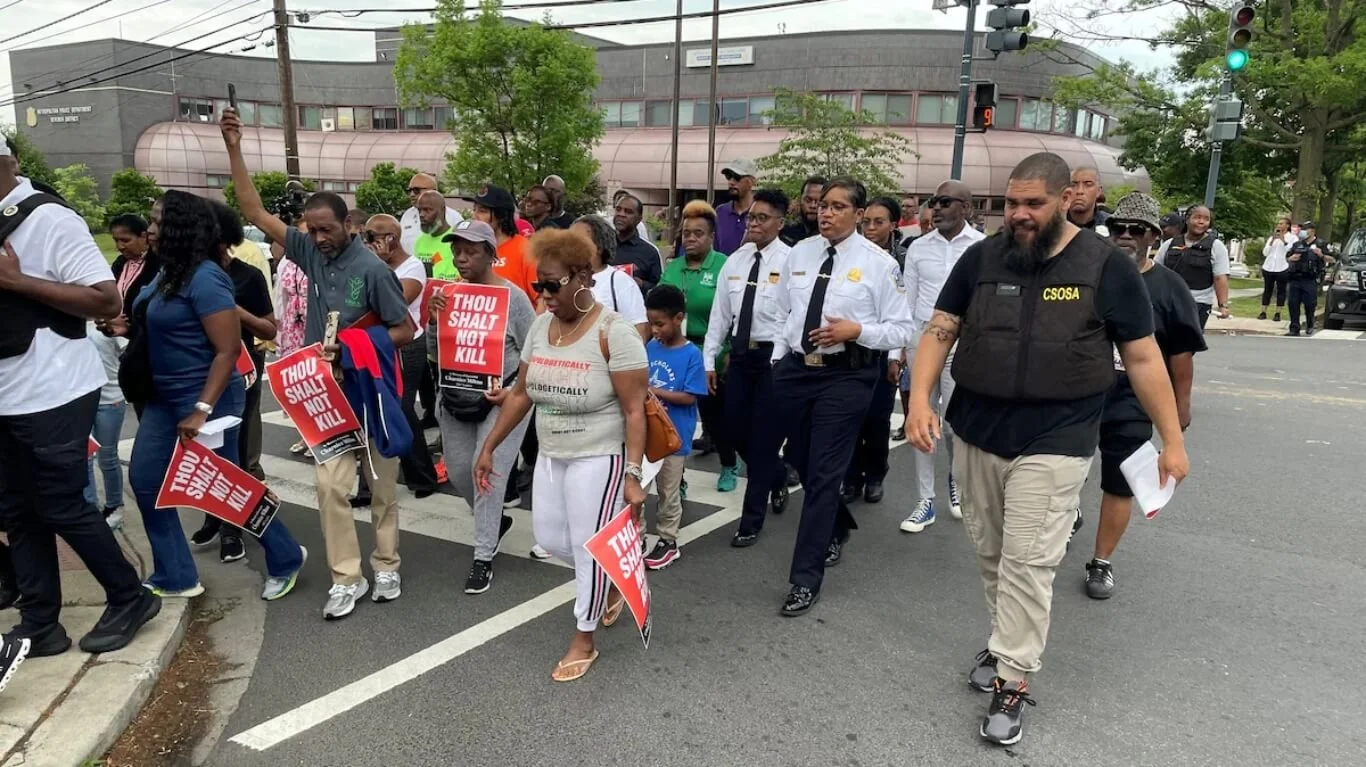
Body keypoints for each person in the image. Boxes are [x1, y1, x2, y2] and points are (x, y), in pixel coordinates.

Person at [906, 152, 1189, 746]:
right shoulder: (981, 259)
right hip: (978, 429)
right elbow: (940, 329)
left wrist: (1172, 440)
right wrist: (919, 400)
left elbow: (1143, 358)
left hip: (1058, 436)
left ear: (1066, 201)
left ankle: (1013, 678)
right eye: (1012, 203)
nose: (1019, 214)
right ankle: (1002, 640)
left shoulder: (1107, 267)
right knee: (991, 551)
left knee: (1028, 560)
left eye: (1032, 203)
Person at [222, 107, 415, 620]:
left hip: (370, 386)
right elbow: (253, 210)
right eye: (312, 230)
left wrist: (355, 346)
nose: (319, 238)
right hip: (325, 392)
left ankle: (387, 563)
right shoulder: (309, 251)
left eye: (327, 229)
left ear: (349, 225)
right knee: (330, 486)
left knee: (382, 485)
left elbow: (405, 329)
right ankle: (346, 576)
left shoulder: (372, 270)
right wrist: (234, 147)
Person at [0, 137, 159, 657]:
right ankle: (40, 623)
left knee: (61, 503)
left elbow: (105, 299)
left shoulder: (50, 219)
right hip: (7, 392)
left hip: (53, 388)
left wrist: (18, 282)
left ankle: (129, 596)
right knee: (18, 510)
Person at [474, 229, 649, 682]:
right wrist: (490, 446)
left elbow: (635, 410)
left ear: (583, 277)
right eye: (539, 285)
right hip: (552, 452)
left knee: (588, 547)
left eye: (552, 285)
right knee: (551, 540)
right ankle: (609, 577)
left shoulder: (615, 332)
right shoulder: (540, 327)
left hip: (599, 454)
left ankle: (583, 639)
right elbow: (520, 393)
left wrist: (632, 474)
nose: (544, 294)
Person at [130, 190, 306, 597]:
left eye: (158, 222)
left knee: (226, 490)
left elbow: (227, 351)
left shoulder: (207, 278)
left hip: (208, 400)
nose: (150, 229)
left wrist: (201, 409)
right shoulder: (167, 271)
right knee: (145, 480)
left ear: (180, 228)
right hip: (163, 397)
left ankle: (285, 555)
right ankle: (176, 575)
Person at [761, 177, 914, 616]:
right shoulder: (800, 253)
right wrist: (778, 357)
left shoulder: (880, 264)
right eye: (823, 205)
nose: (826, 213)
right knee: (799, 456)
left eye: (837, 207)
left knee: (826, 472)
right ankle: (838, 524)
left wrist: (857, 331)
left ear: (858, 214)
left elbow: (902, 329)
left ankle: (804, 579)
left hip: (846, 376)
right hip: (795, 369)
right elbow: (783, 311)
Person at [1085, 192, 1206, 600]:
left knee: (1119, 482)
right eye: (1118, 228)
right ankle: (1067, 520)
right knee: (1060, 468)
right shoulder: (1090, 276)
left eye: (1136, 230)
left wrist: (1179, 409)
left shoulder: (1170, 287)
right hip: (1082, 390)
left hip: (1133, 399)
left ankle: (1101, 561)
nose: (1125, 236)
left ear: (1154, 236)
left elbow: (1181, 355)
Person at [428, 220, 537, 594]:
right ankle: (494, 522)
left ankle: (483, 557)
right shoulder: (449, 294)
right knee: (460, 471)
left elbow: (534, 351)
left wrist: (514, 391)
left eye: (471, 252)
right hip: (456, 397)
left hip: (502, 399)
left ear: (491, 255)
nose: (461, 259)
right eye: (457, 251)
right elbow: (435, 352)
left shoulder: (514, 298)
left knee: (485, 473)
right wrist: (434, 320)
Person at [187, 201, 281, 561]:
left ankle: (234, 529)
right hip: (198, 372)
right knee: (204, 452)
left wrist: (234, 311)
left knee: (237, 450)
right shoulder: (186, 275)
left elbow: (269, 328)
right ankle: (214, 515)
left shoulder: (247, 276)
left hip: (240, 370)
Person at [707, 188, 794, 547]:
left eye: (762, 218)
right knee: (731, 429)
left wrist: (781, 360)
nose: (753, 224)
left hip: (773, 358)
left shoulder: (790, 261)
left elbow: (793, 316)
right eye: (751, 218)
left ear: (780, 223)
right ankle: (776, 474)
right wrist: (710, 358)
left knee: (764, 438)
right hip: (740, 356)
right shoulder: (736, 261)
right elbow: (720, 315)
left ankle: (751, 520)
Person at [898, 180, 984, 532]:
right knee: (920, 421)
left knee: (951, 424)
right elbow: (907, 301)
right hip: (922, 340)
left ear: (967, 208)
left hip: (962, 343)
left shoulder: (981, 248)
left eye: (945, 202)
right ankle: (925, 501)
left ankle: (955, 479)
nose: (936, 208)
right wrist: (899, 351)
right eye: (934, 202)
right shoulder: (918, 248)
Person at [660, 200, 737, 491]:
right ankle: (676, 478)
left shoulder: (724, 266)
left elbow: (735, 312)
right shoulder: (673, 267)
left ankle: (729, 464)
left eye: (698, 233)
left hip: (710, 353)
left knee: (715, 417)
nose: (690, 238)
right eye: (686, 233)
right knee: (674, 419)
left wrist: (728, 351)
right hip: (675, 351)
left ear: (711, 236)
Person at [365, 214, 440, 497]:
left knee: (401, 409)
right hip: (375, 342)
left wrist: (375, 265)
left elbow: (393, 304)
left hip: (407, 345)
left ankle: (422, 477)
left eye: (371, 237)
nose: (366, 243)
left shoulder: (413, 267)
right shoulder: (371, 265)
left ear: (391, 239)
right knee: (372, 408)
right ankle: (368, 484)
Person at [841, 196, 907, 505]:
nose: (870, 228)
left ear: (893, 224)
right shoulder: (850, 255)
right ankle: (852, 477)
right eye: (866, 221)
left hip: (883, 350)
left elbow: (902, 314)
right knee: (851, 418)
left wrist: (895, 356)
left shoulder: (901, 260)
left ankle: (876, 474)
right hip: (850, 349)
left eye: (878, 222)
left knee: (878, 420)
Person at [643, 285, 707, 570]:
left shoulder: (692, 354)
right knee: (637, 486)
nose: (655, 330)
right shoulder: (651, 347)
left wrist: (653, 391)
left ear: (678, 318)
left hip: (674, 436)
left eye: (660, 324)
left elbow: (690, 396)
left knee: (668, 491)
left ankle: (668, 540)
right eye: (651, 323)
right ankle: (636, 538)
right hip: (646, 433)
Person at [572, 214, 649, 341]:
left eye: (578, 241)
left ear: (599, 247)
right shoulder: (560, 279)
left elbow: (639, 330)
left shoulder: (620, 282)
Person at [1154, 205, 1230, 328]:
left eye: (1206, 219)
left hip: (1198, 303)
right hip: (1169, 301)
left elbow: (1220, 278)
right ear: (1187, 219)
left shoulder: (1216, 246)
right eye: (1197, 217)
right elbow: (1155, 270)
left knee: (1189, 338)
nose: (1201, 222)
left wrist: (1223, 306)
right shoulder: (1170, 244)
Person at [84, 320, 127, 529]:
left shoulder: (110, 320)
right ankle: (89, 507)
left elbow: (129, 353)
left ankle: (114, 506)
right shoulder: (71, 322)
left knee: (107, 457)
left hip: (110, 400)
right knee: (84, 457)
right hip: (81, 401)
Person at [466, 184, 540, 306]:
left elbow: (541, 300)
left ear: (501, 215)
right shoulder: (471, 250)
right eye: (474, 210)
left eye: (482, 211)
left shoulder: (525, 249)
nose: (474, 216)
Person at [107, 213, 160, 311]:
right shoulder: (119, 263)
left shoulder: (157, 264)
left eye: (125, 240)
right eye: (116, 241)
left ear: (144, 236)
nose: (120, 247)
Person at [611, 194, 663, 294]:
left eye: (628, 212)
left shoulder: (650, 252)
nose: (621, 214)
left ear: (639, 219)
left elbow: (659, 289)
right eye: (618, 209)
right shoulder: (601, 246)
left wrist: (642, 284)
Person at [400, 174, 462, 256]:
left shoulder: (453, 217)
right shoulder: (407, 215)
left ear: (433, 191)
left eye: (416, 190)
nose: (412, 194)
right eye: (409, 191)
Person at [1285, 221, 1328, 337]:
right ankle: (1294, 328)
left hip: (1310, 279)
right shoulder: (1297, 244)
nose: (1303, 232)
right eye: (1302, 229)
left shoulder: (1321, 244)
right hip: (1295, 278)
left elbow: (1333, 259)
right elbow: (1287, 257)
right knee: (1293, 304)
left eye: (1306, 229)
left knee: (1309, 304)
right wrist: (1291, 258)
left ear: (1312, 231)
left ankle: (1310, 324)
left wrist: (1321, 255)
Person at [715, 159, 758, 255]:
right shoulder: (720, 212)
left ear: (752, 182)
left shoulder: (760, 214)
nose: (731, 182)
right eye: (728, 177)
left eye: (737, 177)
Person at [1259, 217, 1295, 321]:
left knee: (1281, 291)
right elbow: (1265, 253)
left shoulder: (1292, 238)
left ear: (1287, 226)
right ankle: (1263, 312)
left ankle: (1278, 313)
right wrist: (1272, 241)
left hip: (1282, 267)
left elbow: (1289, 250)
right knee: (1267, 290)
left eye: (1281, 223)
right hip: (1269, 267)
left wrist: (1283, 240)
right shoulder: (1272, 238)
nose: (1279, 225)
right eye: (1278, 224)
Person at [414, 190, 456, 274]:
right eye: (419, 210)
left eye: (427, 210)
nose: (421, 215)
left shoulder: (456, 239)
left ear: (442, 210)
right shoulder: (419, 241)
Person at [780, 176, 825, 246]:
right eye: (808, 200)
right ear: (800, 200)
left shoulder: (834, 237)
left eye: (819, 201)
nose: (813, 205)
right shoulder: (785, 234)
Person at [1067, 166, 1110, 233]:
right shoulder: (1053, 224)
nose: (1079, 191)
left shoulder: (1110, 224)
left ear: (1098, 191)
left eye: (1088, 184)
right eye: (1073, 185)